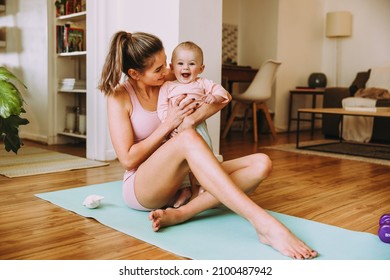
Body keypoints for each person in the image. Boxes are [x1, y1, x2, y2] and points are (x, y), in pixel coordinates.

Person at [98, 31, 317, 260]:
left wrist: (191, 119)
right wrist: (169, 125)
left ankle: (183, 213)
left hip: (180, 180)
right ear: (134, 74)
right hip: (143, 187)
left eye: (166, 64)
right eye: (158, 69)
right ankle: (265, 225)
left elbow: (224, 99)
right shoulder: (119, 96)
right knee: (187, 138)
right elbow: (128, 159)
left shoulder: (170, 77)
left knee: (261, 163)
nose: (168, 70)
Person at [157, 41, 230, 198]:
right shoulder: (168, 86)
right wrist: (170, 124)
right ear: (172, 66)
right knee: (179, 163)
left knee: (202, 157)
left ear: (201, 68)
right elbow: (161, 108)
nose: (185, 68)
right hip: (174, 131)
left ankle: (201, 185)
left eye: (191, 64)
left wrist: (214, 96)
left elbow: (223, 92)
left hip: (198, 128)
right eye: (180, 63)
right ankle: (184, 189)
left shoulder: (202, 83)